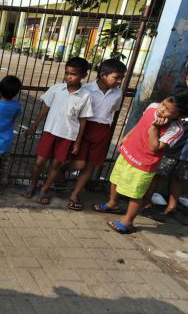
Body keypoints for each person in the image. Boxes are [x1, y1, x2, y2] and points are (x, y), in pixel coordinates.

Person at [94, 92, 188, 234]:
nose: (162, 109)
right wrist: (127, 135)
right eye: (163, 104)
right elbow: (140, 123)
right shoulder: (152, 107)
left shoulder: (175, 129)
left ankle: (128, 222)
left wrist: (155, 128)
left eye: (168, 110)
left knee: (136, 194)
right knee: (115, 179)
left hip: (145, 162)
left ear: (178, 116)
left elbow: (155, 147)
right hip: (129, 151)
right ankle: (112, 203)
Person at [22, 57, 93, 205]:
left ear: (84, 75)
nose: (68, 76)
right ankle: (32, 185)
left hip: (68, 136)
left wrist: (78, 142)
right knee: (39, 161)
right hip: (50, 131)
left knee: (56, 164)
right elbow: (45, 108)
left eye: (73, 74)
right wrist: (34, 126)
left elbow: (83, 120)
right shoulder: (56, 89)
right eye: (66, 72)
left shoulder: (86, 96)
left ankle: (45, 189)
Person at [66, 59, 126, 210]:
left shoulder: (118, 93)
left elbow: (114, 109)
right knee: (79, 163)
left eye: (121, 78)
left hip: (103, 130)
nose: (119, 81)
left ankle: (74, 194)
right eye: (116, 77)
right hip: (84, 128)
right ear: (103, 75)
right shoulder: (86, 89)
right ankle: (58, 171)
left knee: (90, 165)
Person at [142, 65, 188, 224]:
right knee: (157, 174)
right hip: (171, 145)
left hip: (185, 149)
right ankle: (146, 203)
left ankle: (172, 208)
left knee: (179, 177)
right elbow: (166, 117)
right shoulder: (179, 96)